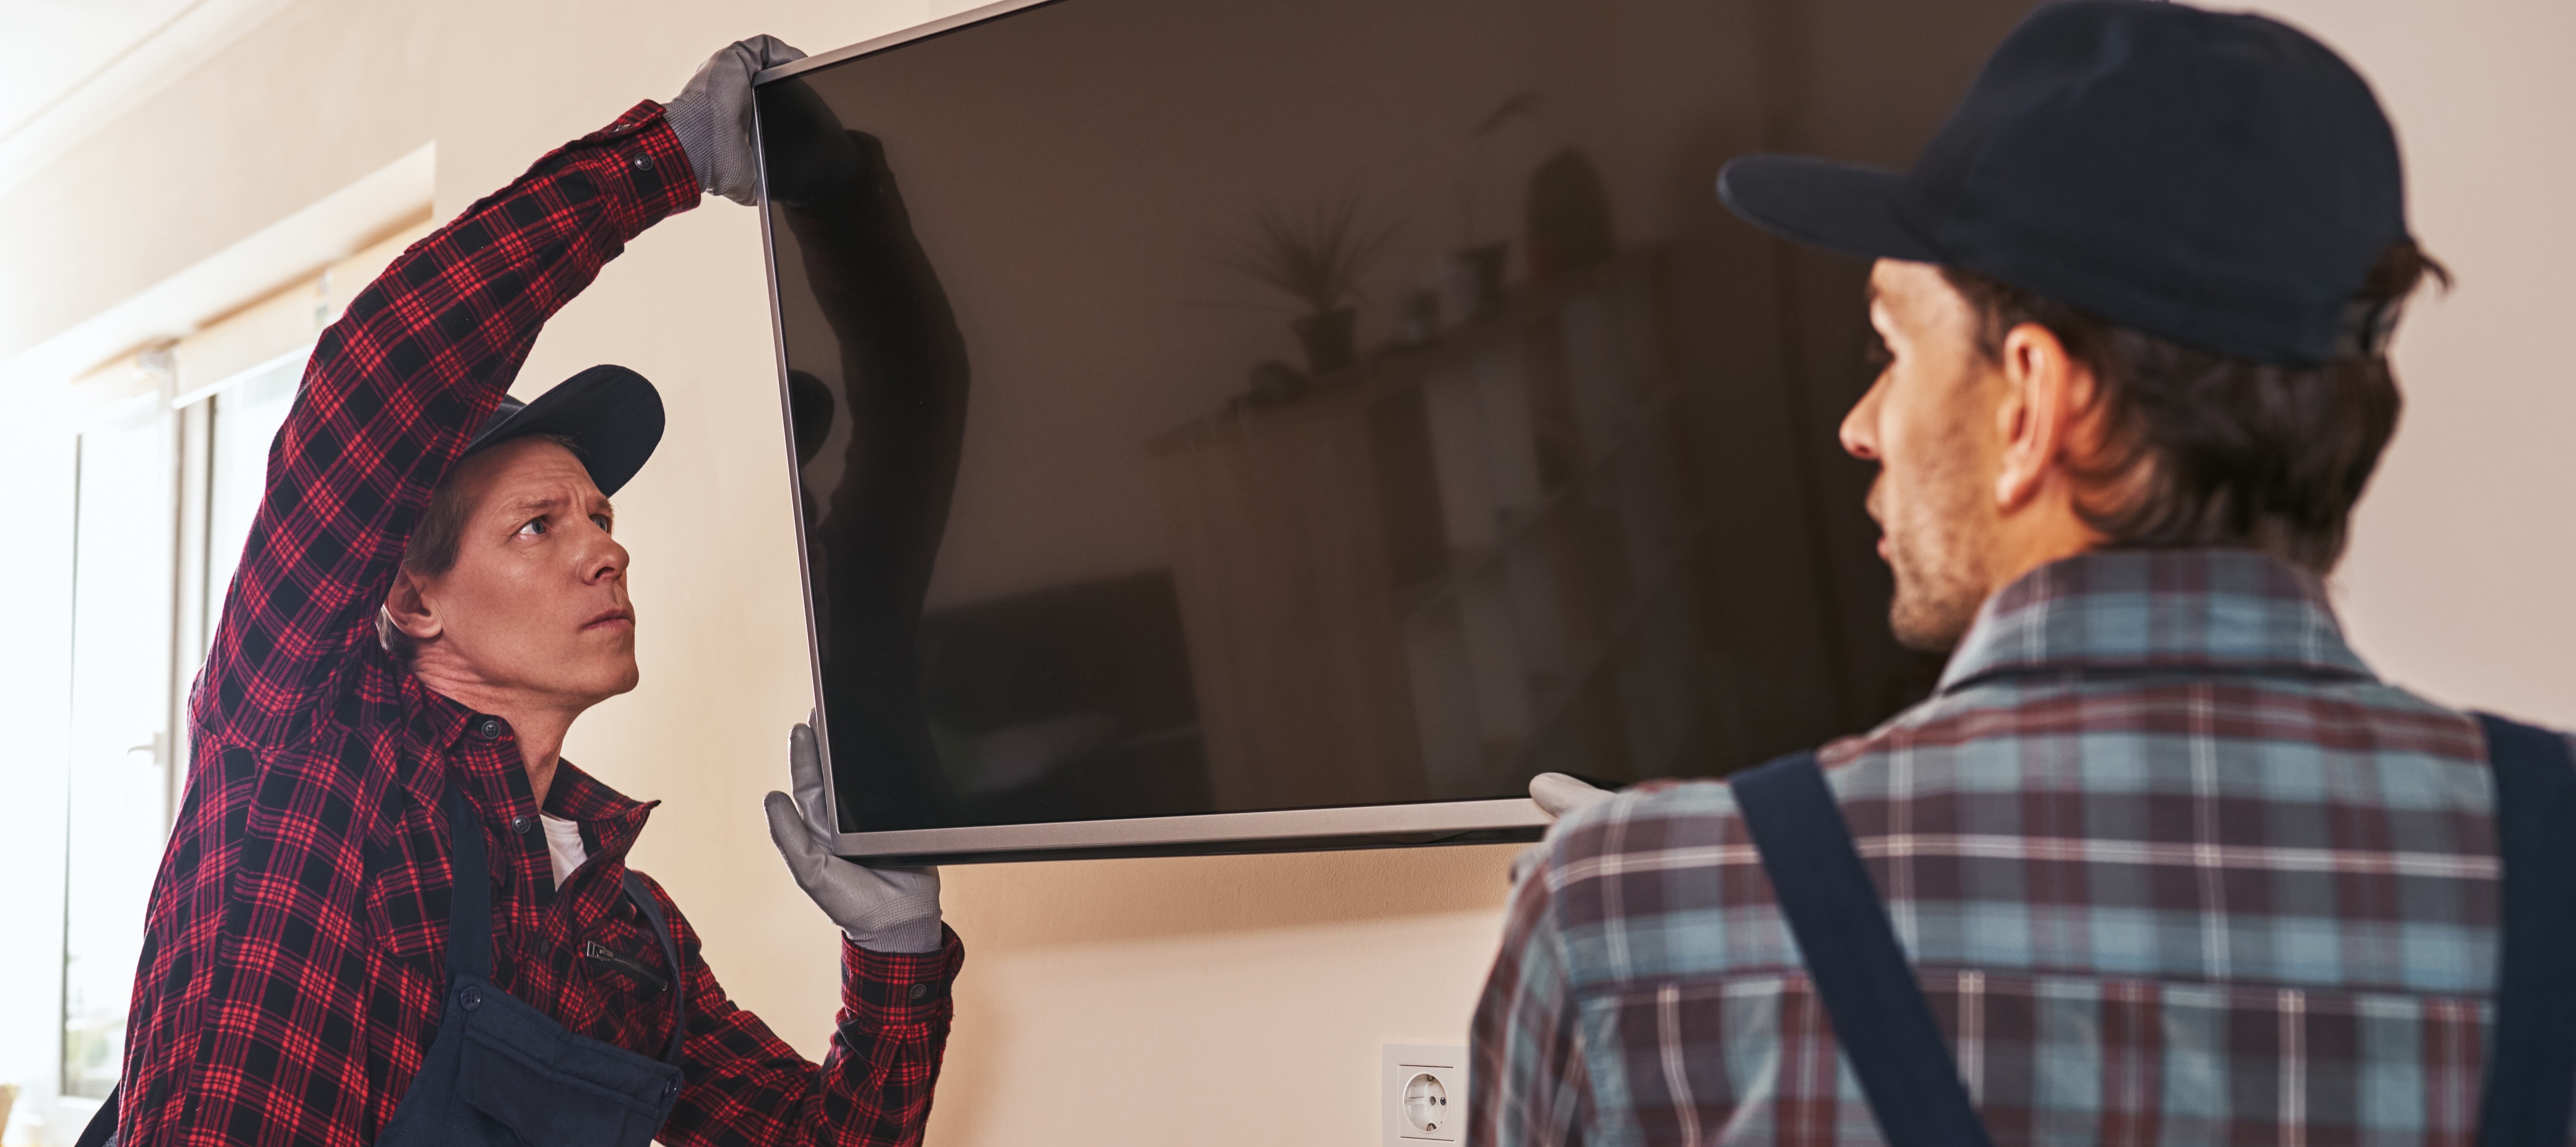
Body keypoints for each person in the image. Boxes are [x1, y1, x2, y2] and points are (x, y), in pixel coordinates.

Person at [1469, 2, 2576, 1144]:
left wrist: (1686, 894)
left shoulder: (1623, 922)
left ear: (2037, 404)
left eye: (1892, 350)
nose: (1862, 426)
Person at [92, 37, 963, 1147]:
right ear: (413, 601)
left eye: (602, 516)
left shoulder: (625, 937)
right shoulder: (307, 745)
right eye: (538, 524)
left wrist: (895, 953)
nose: (606, 552)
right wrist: (668, 160)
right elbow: (383, 373)